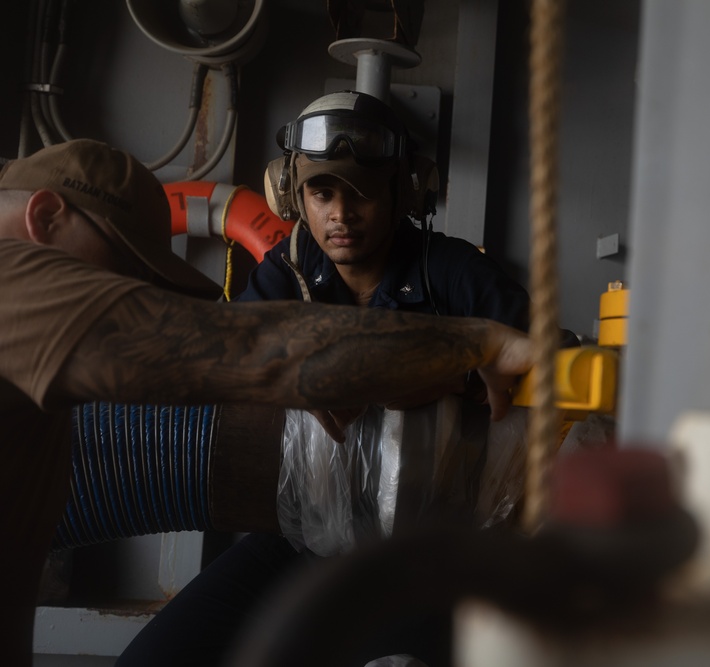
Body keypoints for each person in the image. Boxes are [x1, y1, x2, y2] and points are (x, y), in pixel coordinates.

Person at [0, 138, 533, 667]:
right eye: (124, 269)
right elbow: (253, 347)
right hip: (309, 536)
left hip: (433, 545)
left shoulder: (449, 266)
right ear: (45, 218)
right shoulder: (15, 285)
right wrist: (469, 347)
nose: (133, 289)